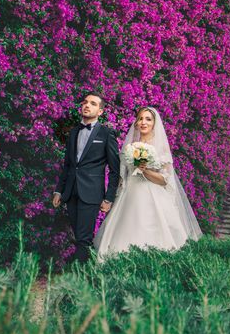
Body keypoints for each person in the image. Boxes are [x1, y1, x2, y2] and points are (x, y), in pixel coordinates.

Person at [93, 107, 202, 260]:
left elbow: (165, 180)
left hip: (152, 195)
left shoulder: (161, 147)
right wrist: (112, 197)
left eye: (148, 119)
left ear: (154, 123)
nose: (143, 122)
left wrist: (144, 170)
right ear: (136, 123)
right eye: (140, 119)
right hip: (129, 194)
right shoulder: (129, 146)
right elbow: (122, 176)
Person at [53, 93, 120, 262]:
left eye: (93, 103)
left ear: (100, 111)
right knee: (79, 235)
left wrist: (109, 198)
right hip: (71, 191)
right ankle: (89, 270)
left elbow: (114, 169)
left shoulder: (106, 133)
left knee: (83, 237)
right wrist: (59, 191)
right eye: (85, 102)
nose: (87, 105)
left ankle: (80, 278)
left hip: (91, 193)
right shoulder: (74, 132)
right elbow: (68, 164)